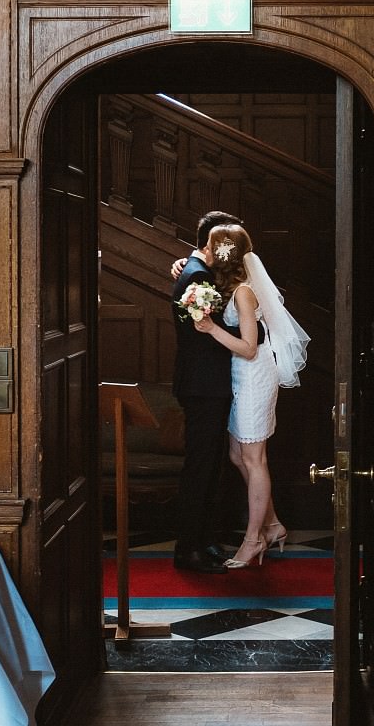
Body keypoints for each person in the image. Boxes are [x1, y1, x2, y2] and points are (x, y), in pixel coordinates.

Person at [193, 224, 309, 568]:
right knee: (236, 455)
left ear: (225, 252)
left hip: (254, 375)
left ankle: (253, 538)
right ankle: (272, 525)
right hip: (240, 377)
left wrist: (212, 328)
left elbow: (246, 347)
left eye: (212, 247)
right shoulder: (227, 284)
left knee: (254, 458)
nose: (207, 251)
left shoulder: (243, 292)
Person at [169, 210, 243, 574]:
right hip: (203, 386)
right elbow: (201, 333)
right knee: (199, 468)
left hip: (207, 384)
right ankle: (188, 548)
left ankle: (203, 539)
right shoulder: (195, 275)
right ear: (215, 242)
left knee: (210, 465)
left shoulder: (197, 271)